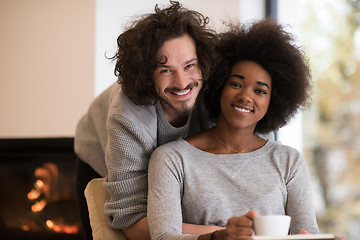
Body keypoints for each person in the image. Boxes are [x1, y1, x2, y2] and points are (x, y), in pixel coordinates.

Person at [147, 18, 320, 240]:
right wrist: (218, 237)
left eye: (260, 91)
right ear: (218, 87)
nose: (246, 96)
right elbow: (162, 237)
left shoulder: (289, 161)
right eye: (236, 84)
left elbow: (307, 234)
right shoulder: (171, 159)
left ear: (273, 103)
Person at [74, 1, 223, 240]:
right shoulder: (127, 116)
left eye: (189, 66)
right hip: (96, 151)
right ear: (146, 74)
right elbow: (131, 221)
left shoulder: (220, 93)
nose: (182, 81)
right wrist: (222, 235)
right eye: (165, 70)